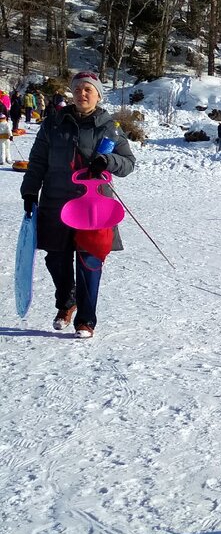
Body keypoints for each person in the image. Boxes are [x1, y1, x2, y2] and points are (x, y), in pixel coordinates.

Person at [20, 71, 135, 339]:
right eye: (78, 89)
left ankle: (86, 320)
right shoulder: (53, 123)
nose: (82, 94)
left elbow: (128, 163)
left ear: (97, 95)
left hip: (94, 208)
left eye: (88, 90)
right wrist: (29, 192)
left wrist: (109, 162)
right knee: (56, 259)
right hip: (56, 203)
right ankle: (67, 301)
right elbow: (37, 161)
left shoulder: (109, 127)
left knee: (90, 262)